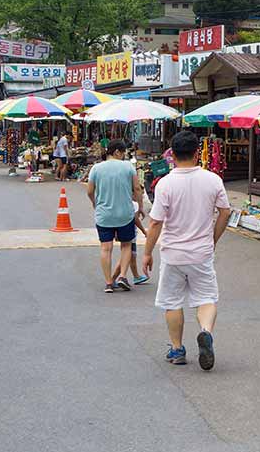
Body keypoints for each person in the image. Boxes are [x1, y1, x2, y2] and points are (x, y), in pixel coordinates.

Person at [142, 130, 231, 370]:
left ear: (172, 154)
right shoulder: (212, 180)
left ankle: (177, 349)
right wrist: (213, 238)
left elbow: (155, 222)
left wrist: (148, 252)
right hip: (201, 252)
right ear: (196, 153)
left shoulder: (165, 184)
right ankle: (205, 332)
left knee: (172, 302)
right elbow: (225, 211)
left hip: (173, 254)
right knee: (207, 299)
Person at [88, 139, 143, 293]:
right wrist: (141, 207)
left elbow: (90, 191)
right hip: (125, 214)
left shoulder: (96, 168)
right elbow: (137, 188)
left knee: (106, 248)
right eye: (123, 152)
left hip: (104, 214)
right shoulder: (128, 167)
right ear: (117, 152)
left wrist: (95, 203)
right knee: (126, 245)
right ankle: (122, 276)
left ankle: (108, 283)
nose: (124, 156)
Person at [112, 201, 150, 287]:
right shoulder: (133, 204)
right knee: (127, 256)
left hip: (123, 231)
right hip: (130, 233)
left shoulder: (120, 202)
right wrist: (144, 231)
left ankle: (136, 276)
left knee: (132, 256)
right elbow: (136, 219)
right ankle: (114, 279)